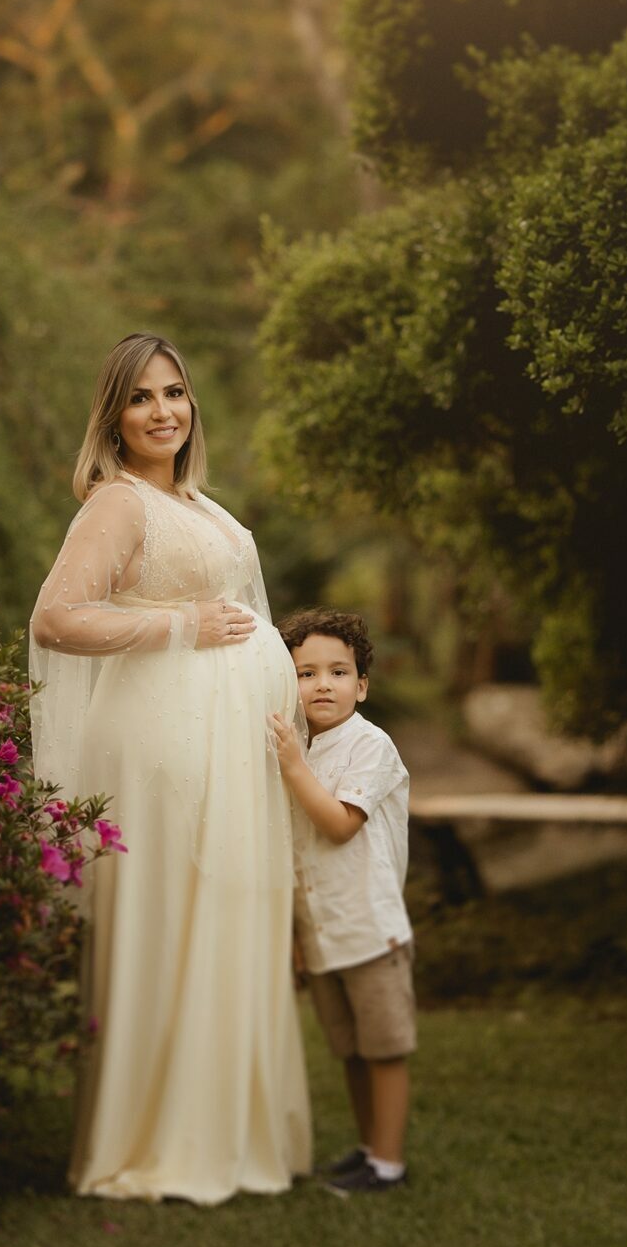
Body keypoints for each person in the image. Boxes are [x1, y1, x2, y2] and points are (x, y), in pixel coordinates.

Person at [29, 332, 311, 1203]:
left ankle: (220, 1128)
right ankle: (155, 1139)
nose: (163, 411)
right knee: (171, 920)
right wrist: (181, 627)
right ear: (113, 416)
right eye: (141, 397)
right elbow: (55, 620)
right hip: (162, 746)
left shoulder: (192, 501)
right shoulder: (117, 505)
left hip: (222, 749)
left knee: (222, 918)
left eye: (175, 392)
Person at [271, 607, 414, 1195]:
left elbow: (338, 826)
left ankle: (389, 1164)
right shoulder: (300, 748)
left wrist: (291, 766)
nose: (322, 684)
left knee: (384, 1050)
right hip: (322, 930)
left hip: (368, 927)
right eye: (305, 674)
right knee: (351, 1050)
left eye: (338, 672)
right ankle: (369, 1147)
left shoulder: (370, 745)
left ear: (362, 685)